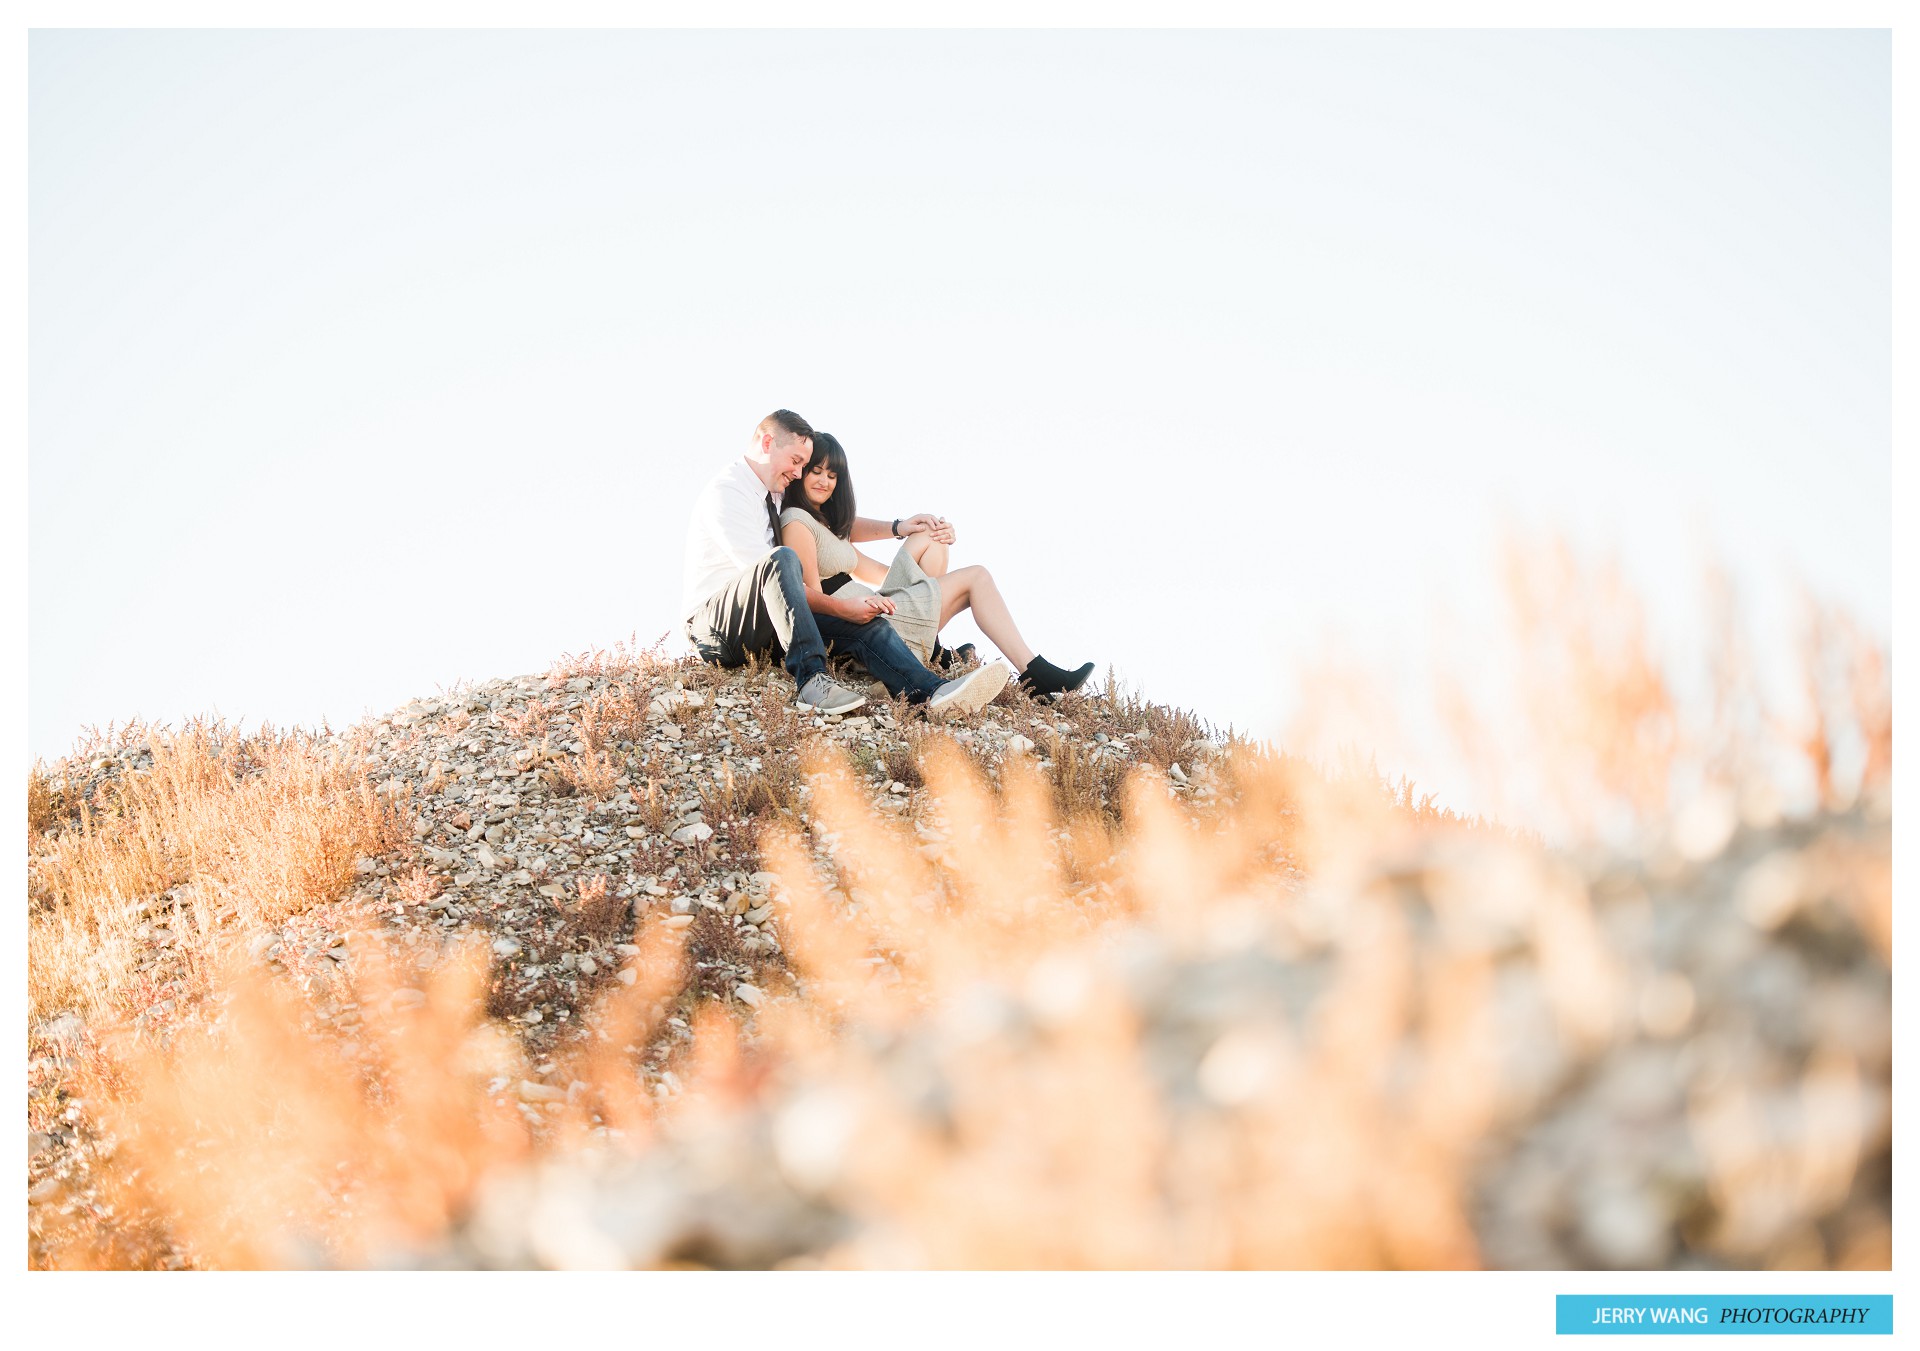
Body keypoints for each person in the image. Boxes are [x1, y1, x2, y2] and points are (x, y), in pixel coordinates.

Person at [680, 410, 1013, 717]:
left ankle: (929, 693)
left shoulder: (775, 489)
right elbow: (773, 575)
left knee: (867, 624)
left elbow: (833, 525)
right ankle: (811, 680)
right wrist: (841, 609)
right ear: (767, 443)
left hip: (767, 621)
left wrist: (897, 528)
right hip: (716, 628)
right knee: (783, 559)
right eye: (796, 461)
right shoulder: (729, 493)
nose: (798, 473)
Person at [777, 432, 1096, 698]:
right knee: (977, 577)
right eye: (816, 471)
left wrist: (910, 532)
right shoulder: (796, 522)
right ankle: (1033, 672)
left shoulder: (827, 528)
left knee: (932, 532)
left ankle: (933, 647)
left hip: (877, 607)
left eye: (832, 476)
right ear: (801, 471)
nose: (824, 481)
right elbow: (811, 600)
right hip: (859, 624)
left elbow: (878, 573)